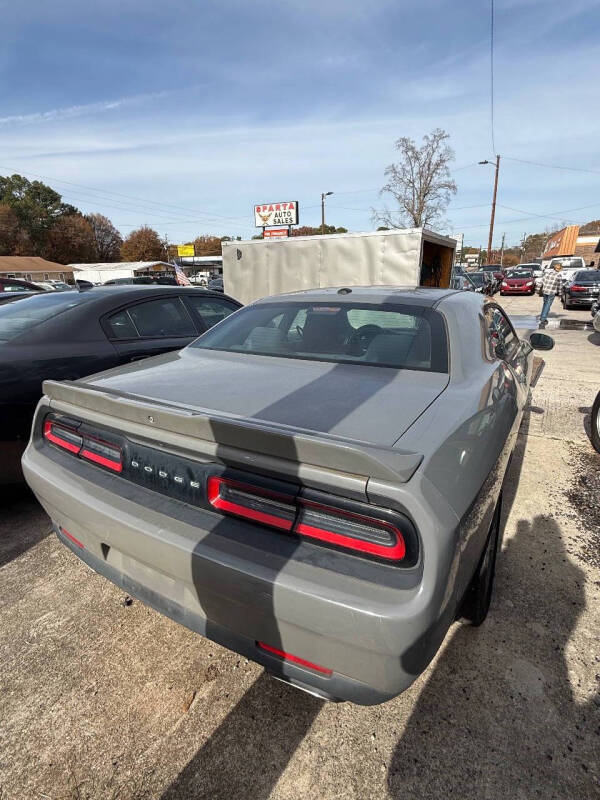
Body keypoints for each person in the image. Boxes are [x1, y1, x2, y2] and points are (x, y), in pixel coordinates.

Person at [538, 260, 563, 328]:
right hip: (551, 292)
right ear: (558, 269)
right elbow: (560, 286)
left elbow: (541, 281)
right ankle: (543, 318)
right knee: (547, 305)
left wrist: (537, 289)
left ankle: (542, 317)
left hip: (545, 291)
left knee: (545, 304)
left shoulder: (547, 273)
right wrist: (560, 294)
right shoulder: (558, 275)